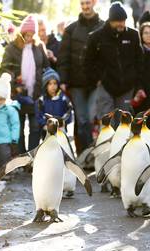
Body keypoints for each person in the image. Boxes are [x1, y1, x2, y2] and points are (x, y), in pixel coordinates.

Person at [85, 1, 144, 125]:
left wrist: (136, 83)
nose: (121, 23)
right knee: (107, 124)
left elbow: (139, 60)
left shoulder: (133, 35)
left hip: (127, 87)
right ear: (110, 20)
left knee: (124, 124)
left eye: (123, 20)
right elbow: (87, 61)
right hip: (105, 87)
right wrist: (97, 79)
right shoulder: (96, 37)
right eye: (118, 21)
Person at [58, 0, 104, 154]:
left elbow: (108, 57)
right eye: (82, 3)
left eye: (88, 3)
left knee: (91, 118)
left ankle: (92, 153)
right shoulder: (71, 29)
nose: (85, 6)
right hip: (76, 83)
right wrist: (63, 80)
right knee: (82, 119)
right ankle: (85, 154)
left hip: (96, 83)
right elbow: (63, 57)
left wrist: (103, 78)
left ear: (94, 3)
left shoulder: (103, 27)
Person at [0, 14, 49, 153]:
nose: (29, 37)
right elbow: (4, 70)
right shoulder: (12, 48)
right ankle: (21, 156)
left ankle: (32, 157)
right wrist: (15, 80)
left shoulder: (39, 47)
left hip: (35, 94)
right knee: (18, 127)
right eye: (26, 34)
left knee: (35, 127)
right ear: (21, 33)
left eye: (32, 34)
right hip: (18, 95)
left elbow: (46, 67)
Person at [35, 68, 73, 139]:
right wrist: (44, 124)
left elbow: (69, 111)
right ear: (45, 85)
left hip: (61, 130)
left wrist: (63, 122)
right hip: (47, 131)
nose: (53, 86)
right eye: (50, 84)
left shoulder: (63, 98)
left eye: (55, 83)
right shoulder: (41, 100)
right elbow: (39, 114)